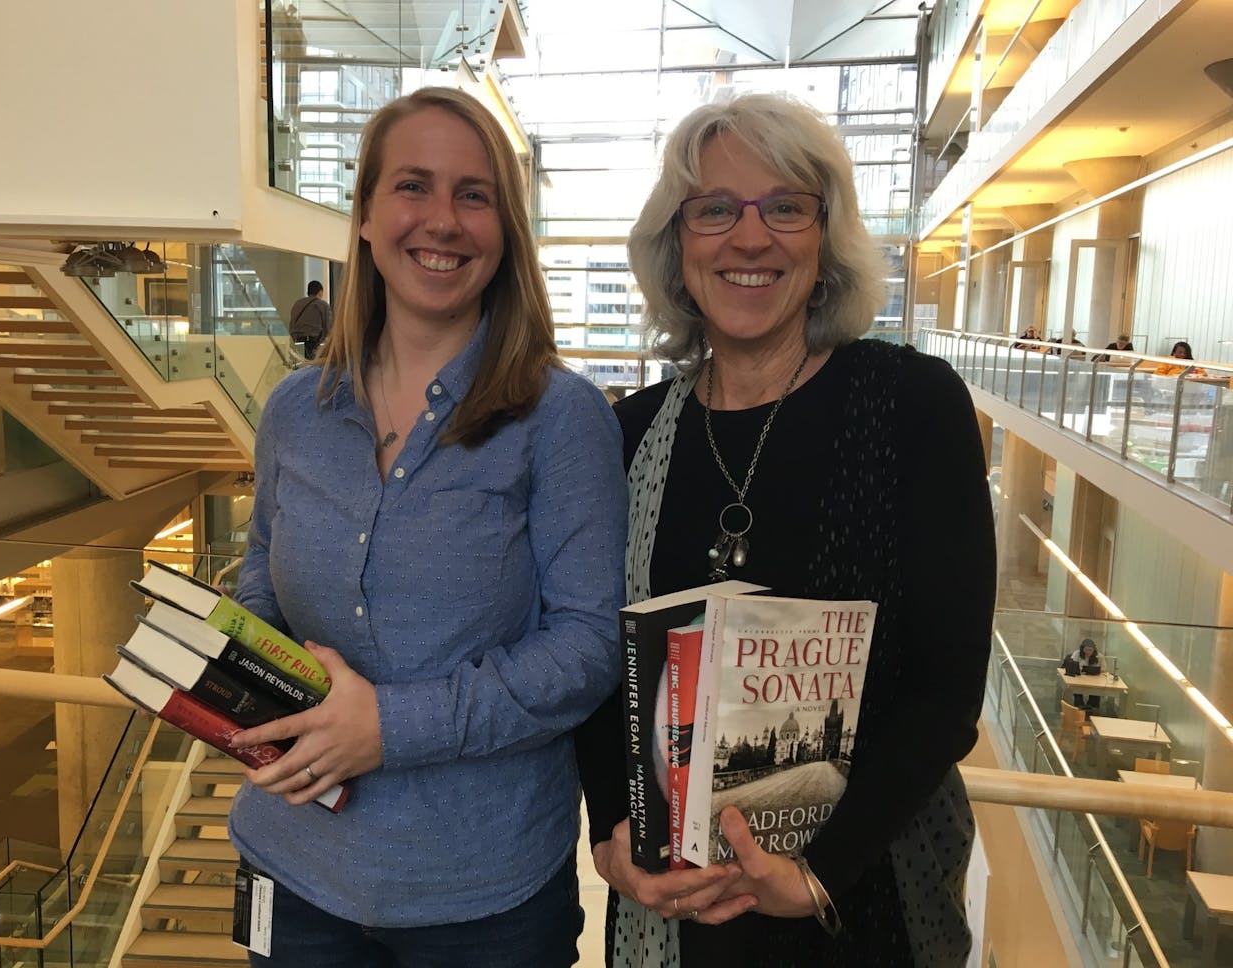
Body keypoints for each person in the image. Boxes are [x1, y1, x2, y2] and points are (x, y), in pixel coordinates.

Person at [575, 93, 995, 967]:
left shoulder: (912, 406)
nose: (750, 237)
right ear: (678, 243)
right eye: (716, 209)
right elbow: (598, 662)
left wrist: (816, 873)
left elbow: (947, 688)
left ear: (825, 236)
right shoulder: (628, 435)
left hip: (858, 906)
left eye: (786, 207)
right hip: (674, 912)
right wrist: (612, 825)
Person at [228, 87, 627, 968]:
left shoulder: (561, 418)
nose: (442, 221)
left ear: (504, 231)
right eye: (414, 186)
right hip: (290, 866)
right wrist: (270, 678)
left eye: (474, 195)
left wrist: (389, 726)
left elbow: (589, 648)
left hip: (481, 896)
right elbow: (261, 571)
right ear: (366, 214)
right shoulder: (297, 408)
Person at [288, 280, 333, 359]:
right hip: (312, 343)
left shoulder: (297, 304)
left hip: (296, 342)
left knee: (300, 366)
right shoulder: (323, 305)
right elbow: (328, 328)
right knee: (312, 367)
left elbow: (292, 324)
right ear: (320, 292)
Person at [1066, 638, 1103, 711]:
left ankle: (1092, 709)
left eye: (1090, 650)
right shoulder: (1077, 654)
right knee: (1077, 691)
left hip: (1094, 680)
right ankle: (1079, 707)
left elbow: (1104, 669)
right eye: (1087, 649)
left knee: (1096, 691)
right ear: (1082, 649)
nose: (1088, 652)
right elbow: (1072, 665)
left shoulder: (1099, 656)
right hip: (1078, 679)